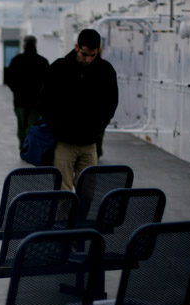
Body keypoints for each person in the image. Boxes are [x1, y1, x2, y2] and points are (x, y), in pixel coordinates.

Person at [38, 29, 118, 190]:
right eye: (84, 54)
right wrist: (57, 129)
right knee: (63, 189)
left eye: (92, 55)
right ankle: (63, 216)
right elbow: (45, 101)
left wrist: (98, 129)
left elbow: (111, 103)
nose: (88, 59)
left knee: (88, 188)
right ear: (76, 47)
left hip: (90, 143)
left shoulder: (105, 70)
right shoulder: (59, 68)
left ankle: (81, 216)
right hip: (64, 142)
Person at [5, 35, 49, 150]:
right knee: (32, 126)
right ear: (35, 45)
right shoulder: (43, 61)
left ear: (24, 45)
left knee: (21, 126)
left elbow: (8, 79)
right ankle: (29, 149)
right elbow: (48, 81)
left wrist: (15, 89)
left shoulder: (16, 61)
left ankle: (22, 146)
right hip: (36, 102)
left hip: (20, 100)